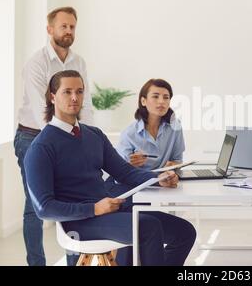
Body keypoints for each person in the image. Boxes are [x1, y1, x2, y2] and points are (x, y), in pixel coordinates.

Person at [24, 70, 196, 266]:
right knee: (149, 227)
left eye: (80, 91)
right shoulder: (41, 147)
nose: (75, 97)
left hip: (108, 210)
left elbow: (125, 171)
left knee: (184, 232)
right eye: (67, 92)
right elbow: (44, 208)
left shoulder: (94, 135)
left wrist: (158, 179)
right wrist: (94, 208)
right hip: (79, 223)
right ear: (53, 97)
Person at [14, 7, 94, 266]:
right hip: (32, 138)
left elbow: (86, 104)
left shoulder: (79, 62)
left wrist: (88, 137)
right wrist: (71, 137)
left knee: (70, 198)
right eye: (63, 26)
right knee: (36, 207)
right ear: (50, 29)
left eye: (72, 26)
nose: (69, 31)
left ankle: (74, 261)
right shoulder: (36, 64)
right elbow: (42, 112)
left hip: (67, 136)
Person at [116, 79, 185, 171]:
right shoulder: (129, 134)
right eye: (155, 96)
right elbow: (120, 172)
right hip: (138, 183)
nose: (161, 101)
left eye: (166, 97)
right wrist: (132, 164)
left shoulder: (175, 126)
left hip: (165, 182)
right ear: (143, 101)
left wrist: (172, 166)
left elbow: (177, 160)